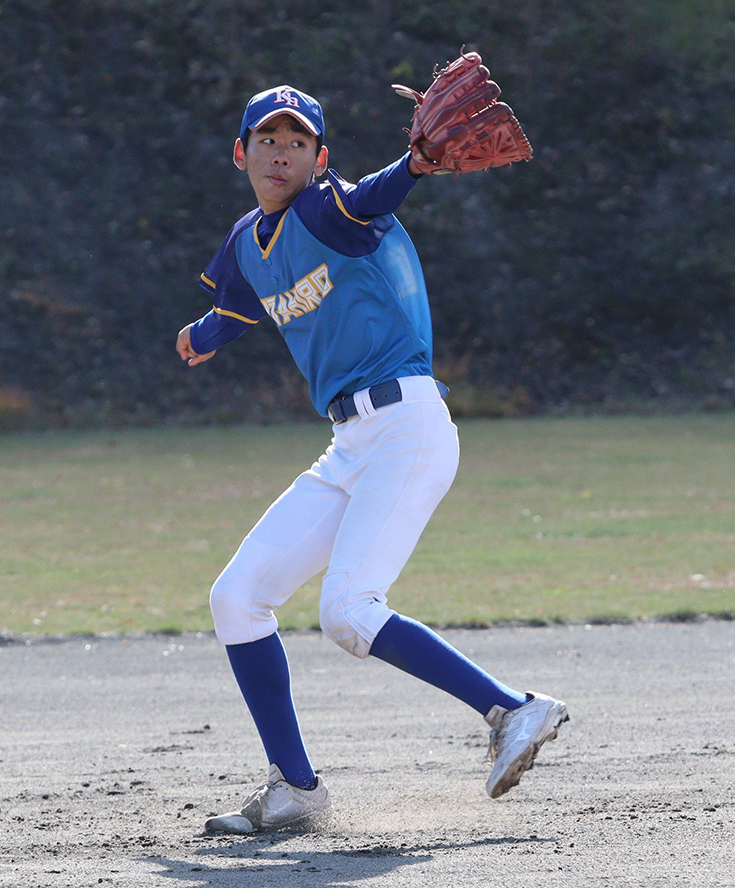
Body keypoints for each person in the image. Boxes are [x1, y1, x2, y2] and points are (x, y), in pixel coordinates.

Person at [176, 85, 569, 834]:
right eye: (266, 138)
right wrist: (198, 336)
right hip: (350, 443)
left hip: (407, 427)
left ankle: (515, 710)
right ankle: (296, 790)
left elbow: (374, 196)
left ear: (320, 160)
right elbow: (237, 307)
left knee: (348, 610)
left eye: (297, 142)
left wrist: (415, 164)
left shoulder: (331, 209)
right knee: (238, 598)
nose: (280, 151)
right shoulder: (244, 244)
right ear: (241, 153)